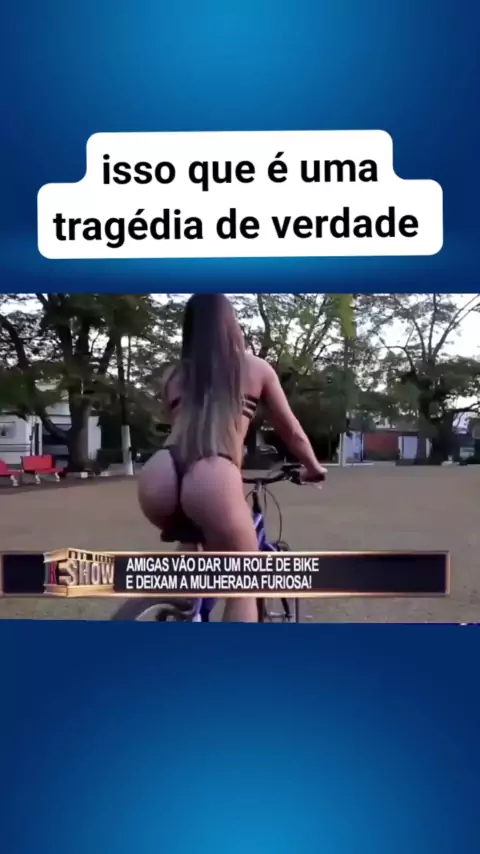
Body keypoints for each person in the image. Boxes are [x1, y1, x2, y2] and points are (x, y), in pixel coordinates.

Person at [138, 294, 327, 622]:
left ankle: (184, 611)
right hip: (213, 471)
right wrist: (314, 467)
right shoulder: (255, 367)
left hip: (161, 472)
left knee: (193, 546)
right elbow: (292, 431)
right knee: (244, 584)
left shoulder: (174, 376)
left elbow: (179, 426)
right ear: (231, 324)